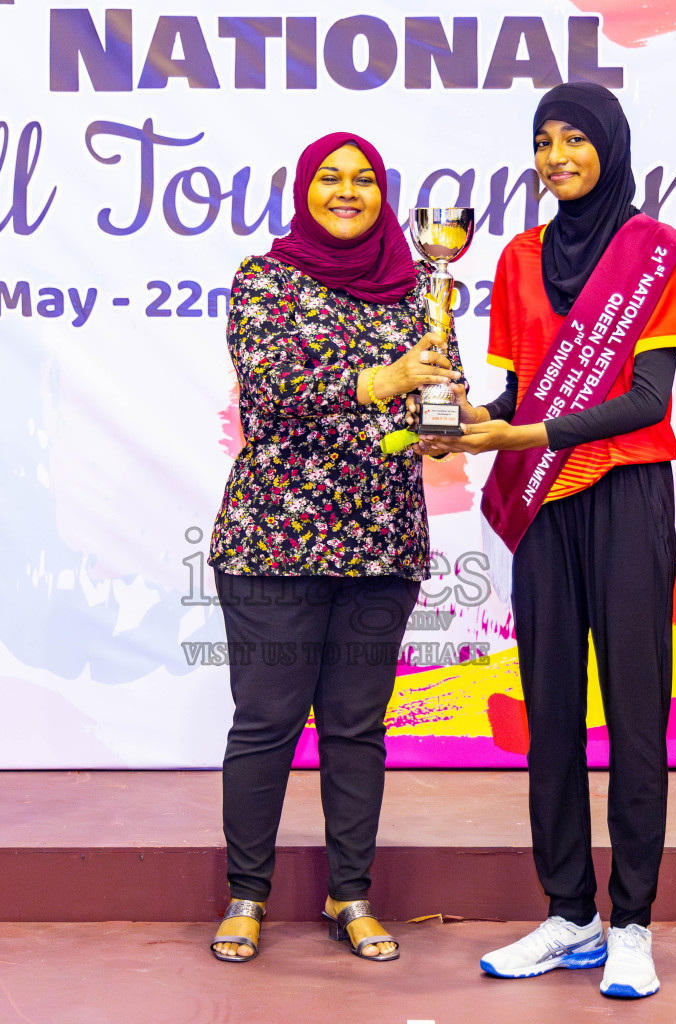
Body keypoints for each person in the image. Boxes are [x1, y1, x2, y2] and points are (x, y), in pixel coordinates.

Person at [420, 83, 676, 998]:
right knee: (549, 714)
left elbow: (647, 402)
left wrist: (521, 437)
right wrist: (468, 419)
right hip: (544, 506)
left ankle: (634, 925)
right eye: (543, 141)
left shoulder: (655, 255)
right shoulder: (516, 256)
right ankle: (570, 912)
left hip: (624, 497)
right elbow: (515, 398)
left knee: (633, 712)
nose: (556, 156)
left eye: (575, 138)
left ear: (610, 147)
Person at [207, 131, 463, 963]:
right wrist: (377, 384)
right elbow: (271, 392)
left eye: (362, 180)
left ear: (384, 193)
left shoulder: (420, 285)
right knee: (267, 724)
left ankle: (350, 894)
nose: (346, 192)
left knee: (356, 730)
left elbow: (433, 393)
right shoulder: (265, 278)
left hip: (381, 540)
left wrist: (440, 419)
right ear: (303, 189)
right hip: (275, 539)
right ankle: (247, 894)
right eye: (329, 177)